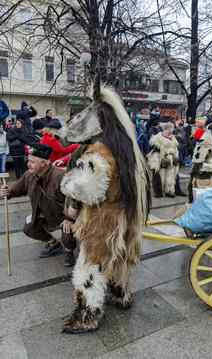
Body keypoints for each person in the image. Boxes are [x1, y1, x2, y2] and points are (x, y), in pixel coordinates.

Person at [60, 85, 150, 334]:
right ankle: (121, 294)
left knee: (90, 264)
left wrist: (67, 181)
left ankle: (86, 314)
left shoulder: (99, 151)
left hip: (102, 221)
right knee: (120, 259)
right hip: (125, 216)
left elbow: (87, 189)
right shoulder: (127, 150)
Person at [0, 143, 77, 267]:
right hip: (43, 215)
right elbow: (16, 189)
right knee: (29, 228)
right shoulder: (29, 175)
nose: (28, 164)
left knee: (67, 235)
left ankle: (69, 252)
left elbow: (75, 198)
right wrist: (7, 192)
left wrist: (70, 218)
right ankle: (54, 243)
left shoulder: (60, 176)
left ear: (44, 163)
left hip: (63, 217)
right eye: (28, 161)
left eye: (32, 162)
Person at [188, 116, 212, 202]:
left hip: (204, 168)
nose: (196, 128)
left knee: (203, 190)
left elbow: (210, 153)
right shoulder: (200, 134)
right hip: (198, 166)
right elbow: (195, 140)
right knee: (196, 187)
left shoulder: (207, 136)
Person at [147, 122, 180, 197]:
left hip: (171, 160)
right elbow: (154, 149)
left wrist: (175, 157)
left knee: (171, 175)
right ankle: (159, 191)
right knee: (161, 176)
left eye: (172, 129)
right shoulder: (157, 137)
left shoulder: (173, 138)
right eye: (169, 129)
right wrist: (160, 158)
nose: (171, 131)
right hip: (162, 159)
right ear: (165, 129)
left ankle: (169, 191)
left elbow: (176, 148)